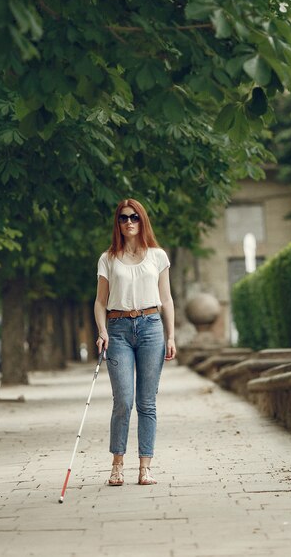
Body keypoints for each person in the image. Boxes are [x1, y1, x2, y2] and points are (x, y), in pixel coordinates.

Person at [94, 199, 176, 486]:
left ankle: (145, 467)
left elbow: (166, 299)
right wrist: (102, 330)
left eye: (135, 217)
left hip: (151, 327)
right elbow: (100, 301)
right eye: (123, 218)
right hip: (117, 329)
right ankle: (117, 464)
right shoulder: (108, 258)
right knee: (124, 400)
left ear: (143, 221)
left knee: (147, 402)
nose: (129, 222)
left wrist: (171, 335)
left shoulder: (157, 256)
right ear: (117, 223)